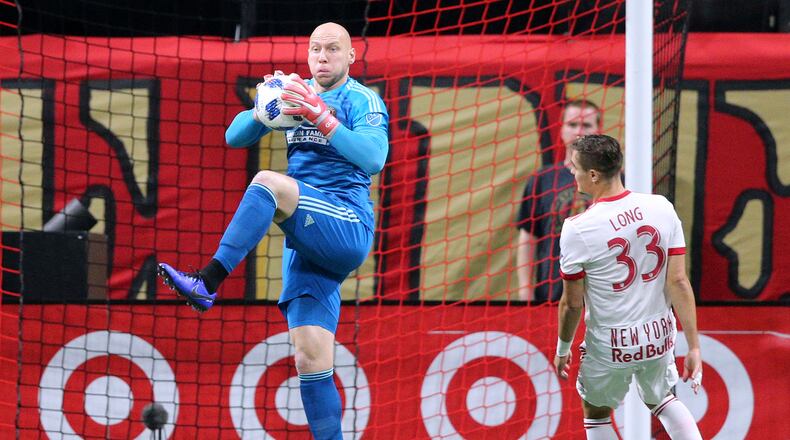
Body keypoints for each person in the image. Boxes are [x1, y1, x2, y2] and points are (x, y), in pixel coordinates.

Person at [157, 22, 388, 440]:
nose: (322, 57)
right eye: (315, 49)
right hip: (307, 238)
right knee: (310, 357)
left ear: (351, 56)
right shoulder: (295, 93)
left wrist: (322, 116)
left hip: (346, 222)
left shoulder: (361, 99)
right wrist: (264, 109)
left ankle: (208, 280)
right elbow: (233, 137)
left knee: (268, 182)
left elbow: (374, 159)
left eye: (333, 49)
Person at [553, 134, 702, 440]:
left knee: (595, 413)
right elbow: (679, 282)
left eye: (575, 167)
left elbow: (571, 303)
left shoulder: (578, 228)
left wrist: (562, 349)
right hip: (657, 336)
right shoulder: (661, 207)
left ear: (593, 175)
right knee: (663, 400)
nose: (571, 171)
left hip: (611, 343)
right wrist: (694, 345)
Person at [516, 99, 601, 301]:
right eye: (572, 125)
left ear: (598, 131)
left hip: (603, 299)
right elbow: (528, 239)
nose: (579, 131)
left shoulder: (616, 179)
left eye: (586, 125)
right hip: (550, 296)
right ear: (561, 130)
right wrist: (525, 290)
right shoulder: (541, 180)